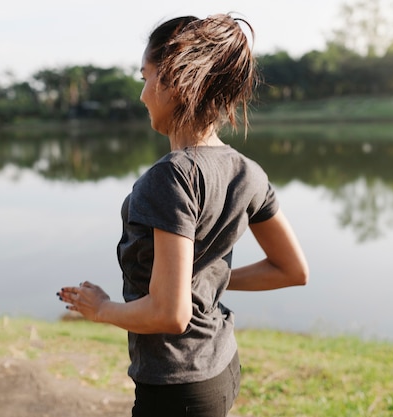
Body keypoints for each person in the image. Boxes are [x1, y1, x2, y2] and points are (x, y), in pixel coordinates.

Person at [58, 13, 309, 417]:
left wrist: (101, 309)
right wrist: (205, 281)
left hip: (177, 388)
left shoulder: (169, 178)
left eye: (145, 76)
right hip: (222, 365)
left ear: (172, 81)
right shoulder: (248, 172)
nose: (142, 94)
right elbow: (292, 270)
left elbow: (169, 314)